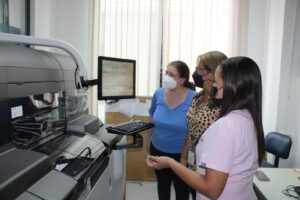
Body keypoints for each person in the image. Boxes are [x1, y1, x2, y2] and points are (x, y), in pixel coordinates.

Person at [147, 56, 265, 200]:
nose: (213, 86)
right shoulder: (248, 117)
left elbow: (212, 190)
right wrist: (182, 160)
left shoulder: (225, 126)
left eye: (216, 81)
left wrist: (170, 163)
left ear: (232, 86)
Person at [180, 51, 227, 200]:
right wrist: (183, 159)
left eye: (201, 70)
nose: (196, 73)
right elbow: (190, 131)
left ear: (214, 73)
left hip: (211, 167)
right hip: (193, 161)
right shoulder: (197, 97)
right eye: (197, 68)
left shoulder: (222, 104)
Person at [146, 60, 196, 200]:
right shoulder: (159, 93)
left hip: (181, 154)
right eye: (166, 72)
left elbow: (195, 130)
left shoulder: (193, 98)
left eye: (171, 74)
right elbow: (151, 117)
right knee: (162, 186)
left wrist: (185, 158)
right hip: (158, 149)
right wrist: (147, 140)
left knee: (181, 190)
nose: (166, 76)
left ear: (182, 80)